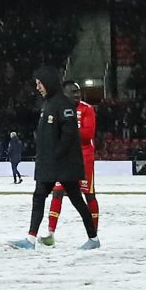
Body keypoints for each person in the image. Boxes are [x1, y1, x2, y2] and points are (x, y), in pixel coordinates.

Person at [13, 68, 98, 250]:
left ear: (48, 83)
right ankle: (31, 239)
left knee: (76, 200)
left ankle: (93, 238)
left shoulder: (63, 105)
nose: (38, 88)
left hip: (61, 165)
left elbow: (69, 135)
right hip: (51, 164)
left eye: (39, 84)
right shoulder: (48, 104)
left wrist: (56, 155)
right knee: (42, 197)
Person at [44, 80, 100, 243]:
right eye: (73, 92)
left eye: (78, 92)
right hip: (64, 156)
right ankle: (50, 234)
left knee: (89, 195)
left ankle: (93, 235)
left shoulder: (87, 109)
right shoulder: (57, 109)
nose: (77, 95)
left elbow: (88, 134)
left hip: (84, 158)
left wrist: (66, 132)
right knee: (57, 193)